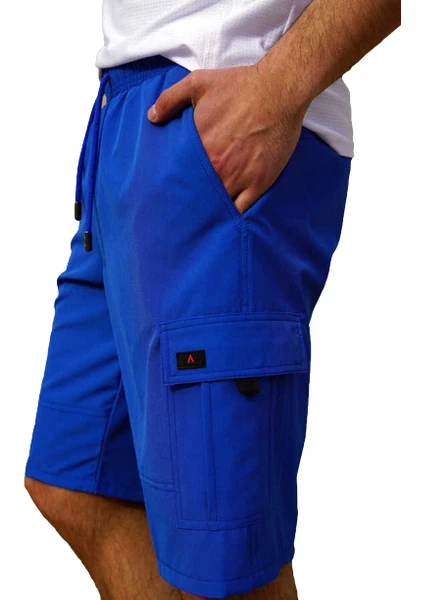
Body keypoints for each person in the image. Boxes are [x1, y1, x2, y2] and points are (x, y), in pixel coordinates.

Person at [24, 1, 401, 598]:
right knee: (78, 481)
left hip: (218, 124)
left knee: (226, 562)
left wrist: (276, 89)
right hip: (125, 120)